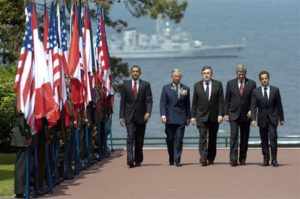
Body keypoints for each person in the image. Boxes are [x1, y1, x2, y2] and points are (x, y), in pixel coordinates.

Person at [119, 65, 153, 168]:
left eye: (137, 71)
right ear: (131, 73)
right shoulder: (125, 85)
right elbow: (123, 102)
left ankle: (138, 159)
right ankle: (130, 159)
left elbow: (149, 100)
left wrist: (148, 112)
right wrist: (121, 116)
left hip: (141, 116)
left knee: (139, 139)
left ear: (140, 73)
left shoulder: (146, 85)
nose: (135, 73)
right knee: (130, 136)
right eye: (133, 71)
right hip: (129, 116)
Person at [191, 65, 224, 166]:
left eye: (208, 73)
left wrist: (220, 114)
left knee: (213, 138)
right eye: (205, 73)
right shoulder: (197, 85)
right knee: (202, 137)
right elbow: (194, 102)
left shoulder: (218, 84)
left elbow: (221, 101)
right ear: (202, 74)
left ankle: (211, 157)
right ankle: (203, 157)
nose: (206, 75)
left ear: (211, 74)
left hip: (214, 117)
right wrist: (193, 116)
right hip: (201, 116)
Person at [224, 64, 256, 166]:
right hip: (233, 114)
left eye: (242, 74)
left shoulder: (251, 83)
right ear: (236, 73)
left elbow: (253, 100)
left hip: (246, 115)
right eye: (239, 74)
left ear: (245, 73)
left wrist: (252, 110)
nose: (241, 76)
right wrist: (225, 113)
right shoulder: (230, 83)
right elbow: (227, 100)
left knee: (244, 137)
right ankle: (233, 159)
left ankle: (242, 159)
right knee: (233, 136)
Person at [250, 70, 284, 167]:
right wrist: (253, 119)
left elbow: (279, 105)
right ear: (260, 80)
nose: (264, 80)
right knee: (264, 140)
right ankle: (266, 159)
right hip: (262, 119)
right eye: (262, 79)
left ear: (268, 78)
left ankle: (274, 159)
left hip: (273, 118)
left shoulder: (275, 90)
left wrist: (281, 118)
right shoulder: (255, 91)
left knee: (273, 138)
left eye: (266, 78)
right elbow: (253, 106)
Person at [160, 68, 191, 167]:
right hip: (169, 118)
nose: (177, 78)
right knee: (170, 139)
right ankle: (171, 157)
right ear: (172, 77)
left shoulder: (185, 88)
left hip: (181, 117)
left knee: (179, 139)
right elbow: (163, 103)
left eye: (178, 76)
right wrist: (163, 115)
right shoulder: (166, 88)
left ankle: (177, 159)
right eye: (175, 76)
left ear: (181, 77)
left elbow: (187, 104)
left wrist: (188, 116)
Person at [11, 100, 32, 198]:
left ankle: (22, 188)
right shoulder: (21, 99)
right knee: (21, 165)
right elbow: (21, 121)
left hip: (22, 136)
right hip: (21, 138)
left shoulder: (22, 97)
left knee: (23, 165)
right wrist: (27, 136)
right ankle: (19, 191)